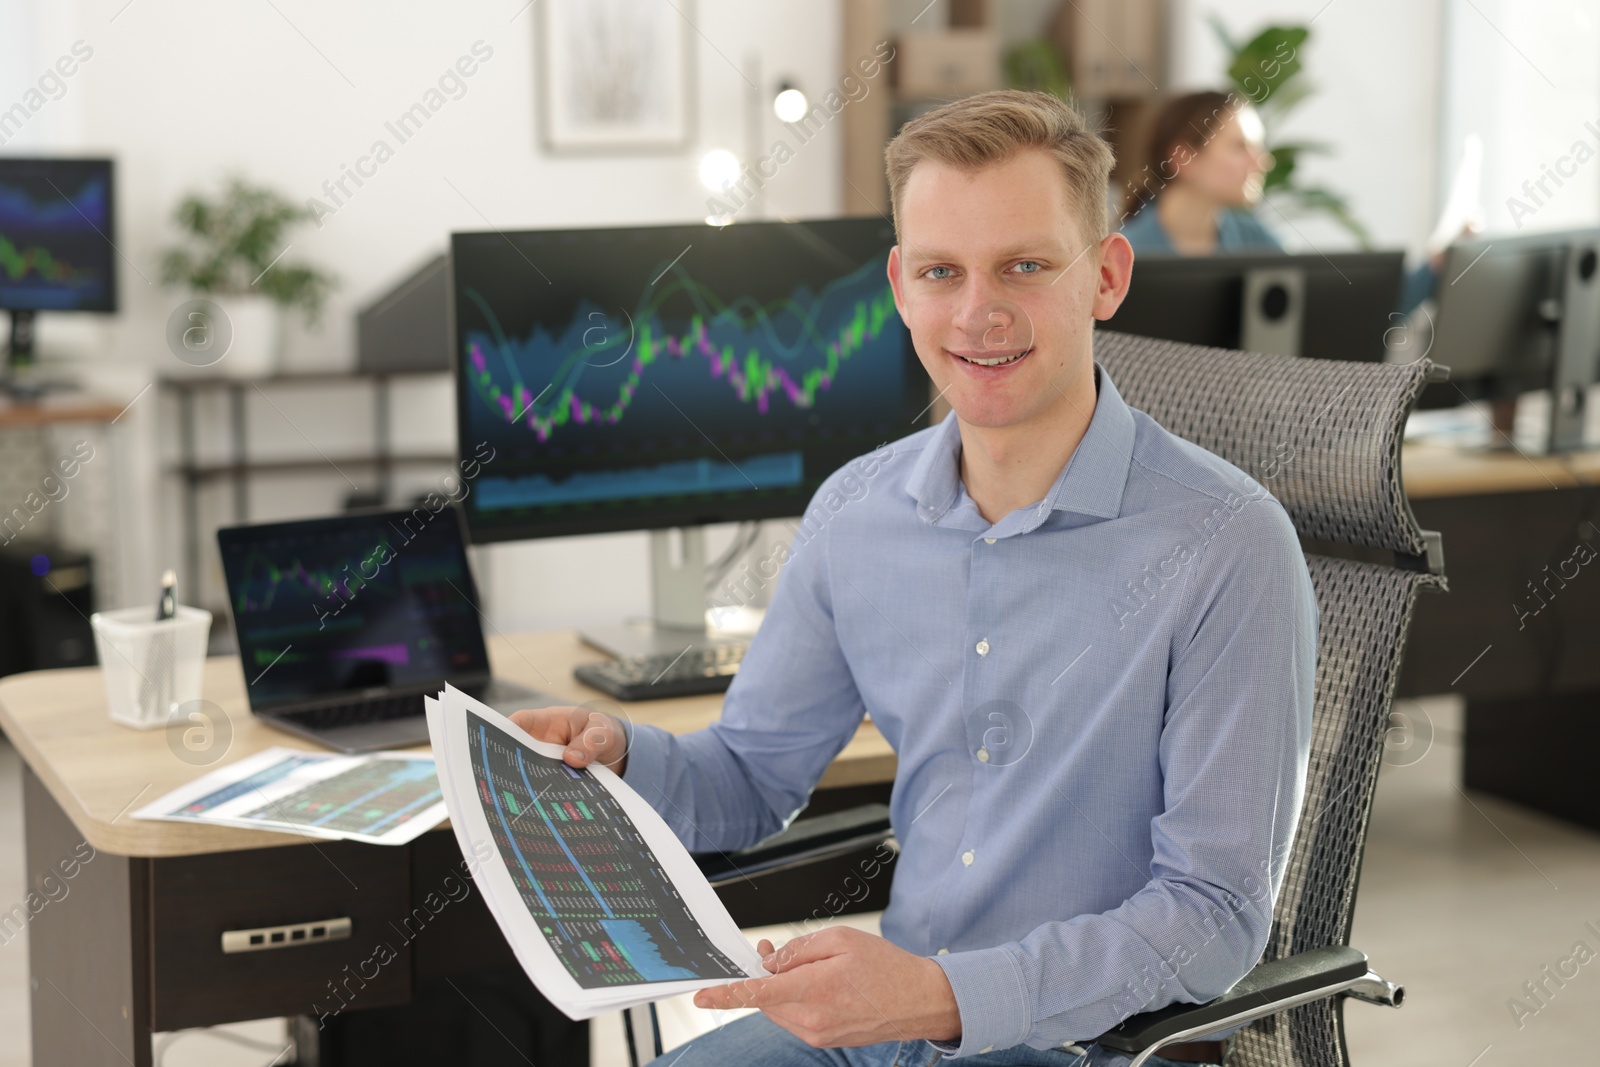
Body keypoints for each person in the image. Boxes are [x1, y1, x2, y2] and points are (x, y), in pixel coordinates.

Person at [512, 89, 1315, 1067]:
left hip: (1086, 1042)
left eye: (1024, 264)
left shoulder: (1227, 542)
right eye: (942, 271)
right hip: (890, 1027)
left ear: (1104, 275)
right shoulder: (857, 513)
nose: (978, 311)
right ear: (900, 285)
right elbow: (751, 776)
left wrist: (941, 993)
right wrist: (621, 753)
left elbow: (1211, 916)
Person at [1119, 90, 1436, 317]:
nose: (1262, 162)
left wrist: (1433, 268)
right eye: (1240, 146)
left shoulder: (1253, 239)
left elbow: (1336, 313)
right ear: (1183, 158)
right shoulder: (1128, 258)